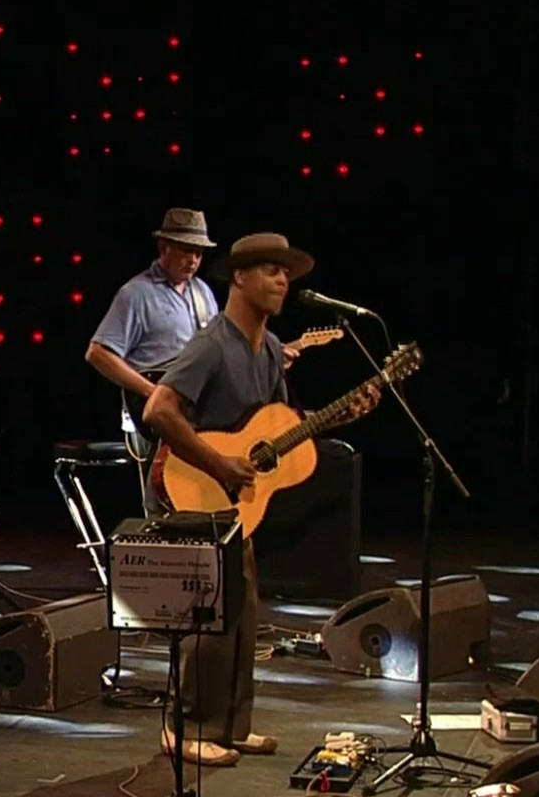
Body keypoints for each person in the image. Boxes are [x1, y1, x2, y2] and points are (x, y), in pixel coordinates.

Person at [142, 233, 377, 766]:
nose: (283, 281)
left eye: (287, 273)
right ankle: (185, 728)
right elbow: (158, 410)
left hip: (235, 504)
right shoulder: (212, 344)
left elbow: (274, 428)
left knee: (243, 618)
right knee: (207, 620)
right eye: (271, 270)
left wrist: (337, 417)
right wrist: (219, 464)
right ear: (240, 277)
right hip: (192, 490)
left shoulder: (269, 347)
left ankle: (229, 726)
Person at [85, 208, 221, 513]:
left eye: (199, 253)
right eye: (186, 251)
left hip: (196, 411)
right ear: (164, 247)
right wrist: (152, 391)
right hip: (154, 412)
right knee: (161, 497)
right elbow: (98, 353)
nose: (193, 260)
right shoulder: (135, 294)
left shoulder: (203, 293)